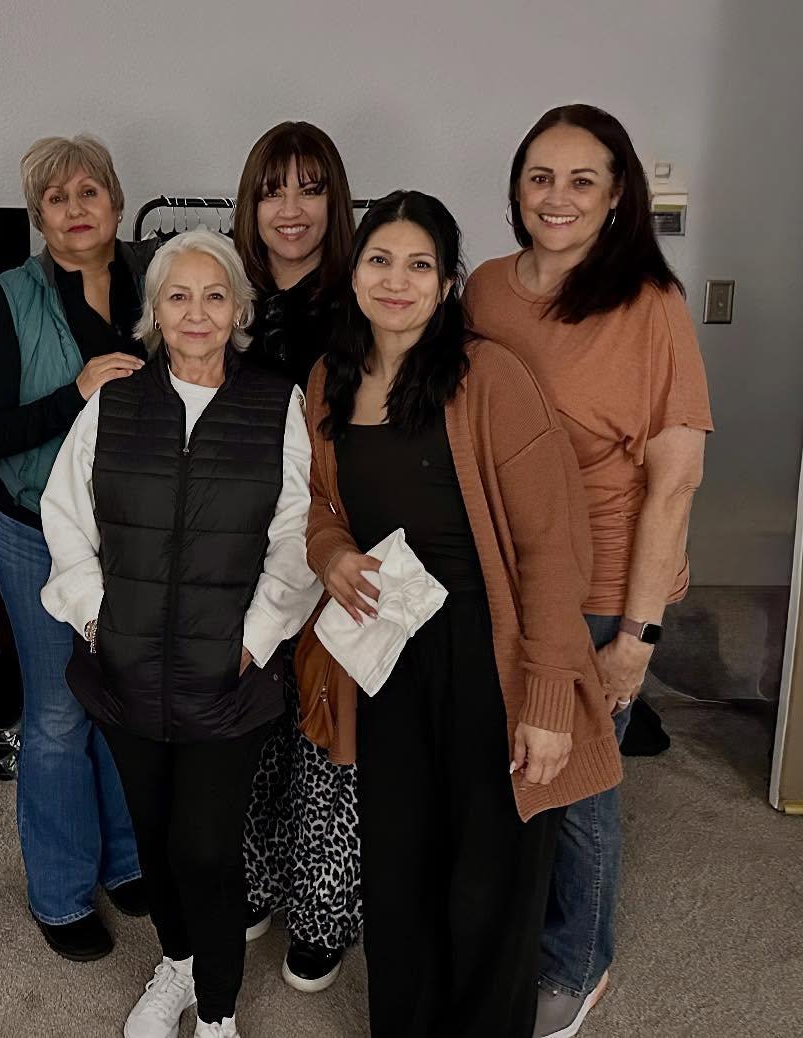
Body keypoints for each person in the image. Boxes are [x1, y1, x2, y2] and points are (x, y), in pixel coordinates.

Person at [306, 191, 623, 1037]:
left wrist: (549, 701)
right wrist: (330, 553)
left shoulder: (490, 378)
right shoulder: (329, 377)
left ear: (447, 282)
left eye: (420, 265)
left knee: (492, 873)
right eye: (380, 260)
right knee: (401, 861)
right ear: (354, 273)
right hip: (389, 653)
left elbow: (554, 549)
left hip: (492, 651)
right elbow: (317, 505)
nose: (397, 281)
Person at [464, 104, 712, 1038]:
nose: (556, 197)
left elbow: (675, 481)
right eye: (540, 177)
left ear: (617, 197)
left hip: (603, 586)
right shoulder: (486, 289)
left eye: (581, 180)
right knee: (512, 763)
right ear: (516, 189)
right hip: (505, 573)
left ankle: (580, 963)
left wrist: (637, 641)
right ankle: (520, 929)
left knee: (578, 786)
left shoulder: (651, 307)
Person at [41, 229, 320, 1038]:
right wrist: (97, 619)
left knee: (206, 849)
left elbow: (297, 532)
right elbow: (66, 517)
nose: (196, 312)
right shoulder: (115, 402)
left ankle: (219, 1013)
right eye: (178, 295)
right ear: (155, 312)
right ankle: (178, 964)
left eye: (214, 295)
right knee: (156, 841)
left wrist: (256, 637)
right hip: (125, 666)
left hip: (226, 675)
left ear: (238, 309)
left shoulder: (276, 403)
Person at [0, 133, 156, 961]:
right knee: (57, 714)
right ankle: (61, 892)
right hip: (37, 533)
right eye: (56, 197)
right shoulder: (12, 295)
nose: (76, 209)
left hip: (138, 539)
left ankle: (126, 858)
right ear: (39, 216)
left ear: (116, 200)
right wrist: (76, 393)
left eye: (89, 192)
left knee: (126, 701)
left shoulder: (157, 277)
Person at [231, 120, 364, 994]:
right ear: (251, 202)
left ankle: (322, 909)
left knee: (327, 727)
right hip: (237, 540)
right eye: (274, 188)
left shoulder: (362, 298)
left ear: (334, 203)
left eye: (311, 189)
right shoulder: (224, 292)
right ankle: (251, 877)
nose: (291, 208)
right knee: (246, 716)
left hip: (331, 535)